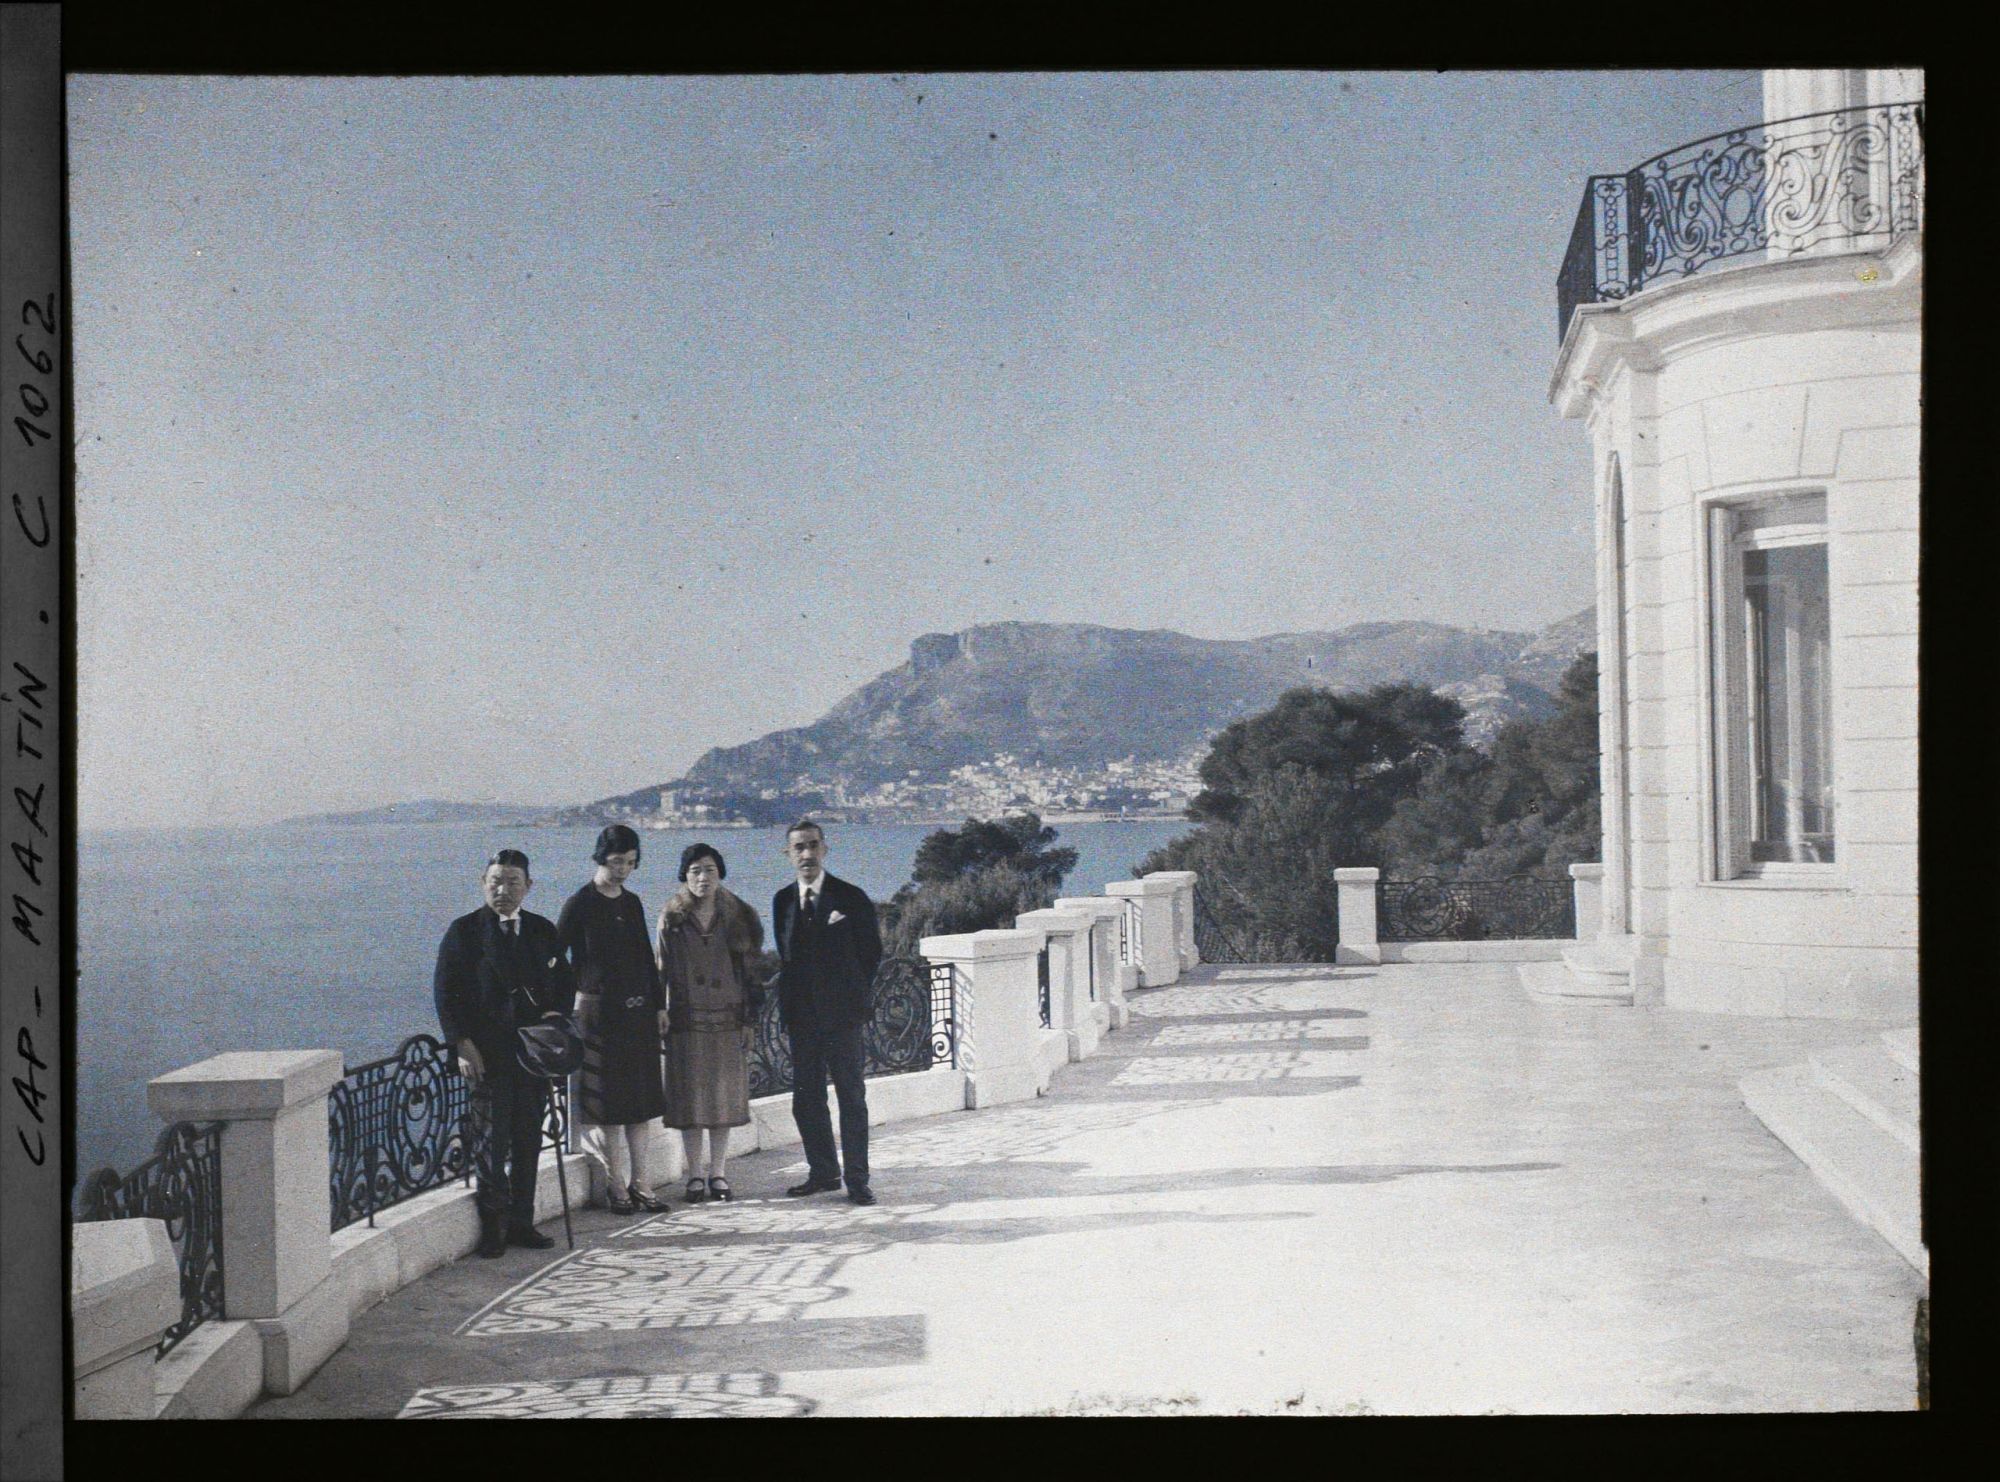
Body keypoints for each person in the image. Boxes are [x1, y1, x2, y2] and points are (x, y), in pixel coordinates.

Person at [434, 848, 576, 1257]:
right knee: (490, 1142)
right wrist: (460, 1044)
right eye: (496, 881)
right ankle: (493, 1228)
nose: (503, 889)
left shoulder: (542, 930)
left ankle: (521, 1222)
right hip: (487, 1055)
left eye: (513, 882)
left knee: (530, 1139)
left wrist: (556, 1017)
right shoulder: (464, 932)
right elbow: (446, 994)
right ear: (483, 884)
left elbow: (564, 981)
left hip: (532, 1056)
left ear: (528, 887)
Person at [556, 825, 669, 1216]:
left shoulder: (633, 903)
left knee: (639, 1104)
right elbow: (556, 960)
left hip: (637, 1016)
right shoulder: (580, 903)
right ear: (601, 857)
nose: (623, 870)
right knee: (609, 1107)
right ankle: (615, 1183)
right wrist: (573, 999)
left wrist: (658, 1006)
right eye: (618, 861)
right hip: (599, 1017)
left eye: (631, 863)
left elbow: (645, 958)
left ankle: (643, 1183)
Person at [770, 819, 882, 1205]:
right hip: (802, 1019)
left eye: (813, 845)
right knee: (807, 1099)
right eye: (798, 847)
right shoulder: (783, 900)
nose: (807, 854)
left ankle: (857, 1179)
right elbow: (787, 957)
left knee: (851, 1097)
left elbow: (871, 954)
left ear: (825, 849)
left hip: (843, 1017)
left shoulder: (850, 898)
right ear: (788, 854)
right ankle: (823, 1173)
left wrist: (849, 999)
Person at [657, 843, 764, 1203]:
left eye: (710, 870)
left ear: (720, 874)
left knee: (722, 1098)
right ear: (684, 876)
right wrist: (660, 1009)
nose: (703, 878)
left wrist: (749, 1020)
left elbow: (752, 973)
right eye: (695, 871)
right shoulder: (671, 917)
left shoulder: (740, 916)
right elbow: (660, 970)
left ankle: (718, 1173)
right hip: (686, 1019)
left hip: (727, 1017)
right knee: (690, 1101)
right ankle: (694, 1175)